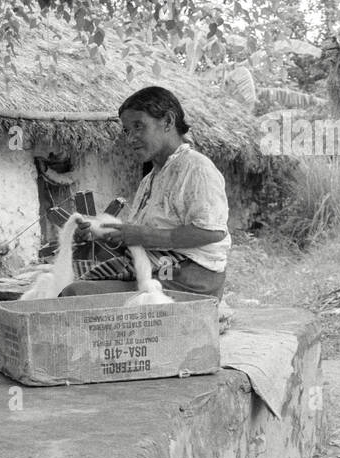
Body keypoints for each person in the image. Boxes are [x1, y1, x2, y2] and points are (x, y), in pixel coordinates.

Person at [59, 86, 231, 300]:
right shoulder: (150, 179)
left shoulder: (196, 168)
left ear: (168, 121)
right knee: (78, 282)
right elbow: (144, 233)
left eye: (139, 126)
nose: (131, 138)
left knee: (75, 295)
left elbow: (213, 232)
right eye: (127, 130)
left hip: (189, 278)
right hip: (161, 270)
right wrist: (103, 234)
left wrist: (142, 235)